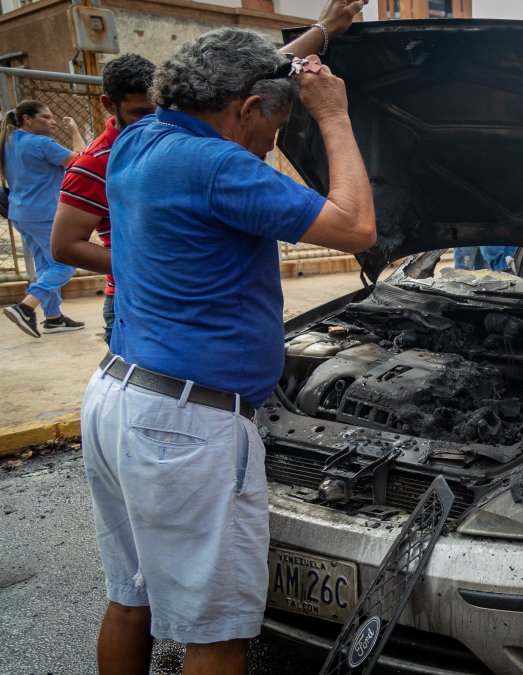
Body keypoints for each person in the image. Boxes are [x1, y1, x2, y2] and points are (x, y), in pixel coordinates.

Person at [80, 2, 371, 673]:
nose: (272, 142)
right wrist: (333, 115)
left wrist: (325, 33)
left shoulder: (139, 138)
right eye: (275, 125)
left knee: (131, 599)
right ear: (245, 108)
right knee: (216, 634)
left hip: (116, 396)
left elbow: (243, 72)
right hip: (186, 426)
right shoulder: (219, 167)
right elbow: (356, 226)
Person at [51, 54, 156, 345]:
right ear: (109, 105)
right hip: (133, 303)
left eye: (158, 111)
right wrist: (151, 266)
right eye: (140, 113)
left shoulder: (167, 143)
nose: (152, 123)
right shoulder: (94, 164)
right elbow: (64, 246)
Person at [1, 99, 86, 337]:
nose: (52, 122)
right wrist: (74, 131)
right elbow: (82, 161)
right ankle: (26, 307)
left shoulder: (9, 141)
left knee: (45, 265)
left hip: (21, 213)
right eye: (46, 117)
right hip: (44, 213)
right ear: (28, 119)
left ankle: (53, 317)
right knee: (65, 263)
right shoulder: (41, 144)